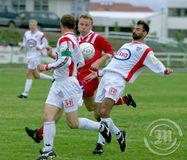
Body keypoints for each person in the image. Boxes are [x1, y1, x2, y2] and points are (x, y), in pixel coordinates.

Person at [24, 13, 136, 152]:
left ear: (91, 26)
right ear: (77, 25)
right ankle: (123, 102)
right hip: (76, 78)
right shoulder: (75, 39)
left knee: (62, 105)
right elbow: (71, 60)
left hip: (88, 79)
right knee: (94, 109)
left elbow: (111, 52)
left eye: (86, 25)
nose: (83, 27)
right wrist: (52, 54)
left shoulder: (96, 38)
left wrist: (98, 61)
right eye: (81, 24)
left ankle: (41, 134)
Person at [35, 14, 112, 160]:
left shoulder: (65, 39)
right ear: (75, 25)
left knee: (73, 123)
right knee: (48, 116)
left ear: (61, 25)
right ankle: (48, 150)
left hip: (67, 85)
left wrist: (46, 66)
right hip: (59, 82)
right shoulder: (74, 40)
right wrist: (56, 61)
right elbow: (80, 61)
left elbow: (66, 60)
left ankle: (101, 127)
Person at [93, 20, 173, 154]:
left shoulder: (145, 50)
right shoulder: (126, 45)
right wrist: (99, 73)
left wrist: (164, 70)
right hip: (106, 77)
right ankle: (119, 134)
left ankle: (100, 144)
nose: (135, 31)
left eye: (138, 29)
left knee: (104, 112)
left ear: (144, 33)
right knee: (97, 114)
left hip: (118, 80)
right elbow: (114, 63)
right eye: (134, 29)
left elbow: (155, 62)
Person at [18, 19, 53, 98]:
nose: (32, 26)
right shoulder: (26, 34)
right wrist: (22, 46)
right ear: (29, 26)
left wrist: (40, 47)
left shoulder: (40, 34)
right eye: (30, 25)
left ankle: (25, 93)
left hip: (36, 56)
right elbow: (24, 42)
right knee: (36, 75)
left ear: (36, 25)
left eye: (33, 25)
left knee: (28, 72)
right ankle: (51, 78)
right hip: (29, 55)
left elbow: (45, 43)